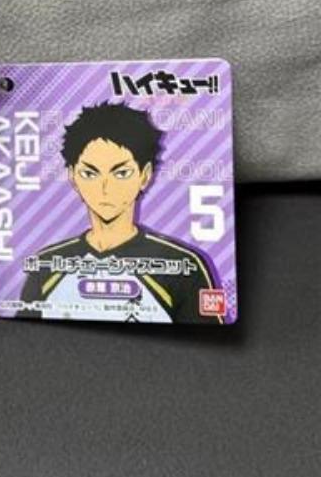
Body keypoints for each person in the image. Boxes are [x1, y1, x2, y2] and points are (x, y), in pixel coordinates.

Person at [20, 103, 221, 323]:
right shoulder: (46, 263)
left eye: (121, 173)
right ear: (72, 176)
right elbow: (25, 334)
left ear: (144, 175)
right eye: (90, 173)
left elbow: (209, 337)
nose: (105, 187)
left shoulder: (183, 264)